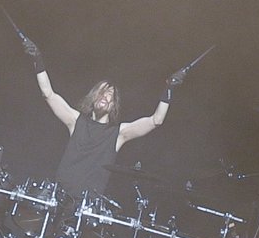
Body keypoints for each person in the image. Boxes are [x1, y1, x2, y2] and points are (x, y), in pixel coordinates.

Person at [22, 34, 186, 204]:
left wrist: (169, 89)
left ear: (114, 105)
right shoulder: (76, 121)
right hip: (58, 198)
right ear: (93, 97)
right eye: (102, 92)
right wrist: (37, 59)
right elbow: (48, 94)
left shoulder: (119, 133)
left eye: (110, 94)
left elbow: (156, 120)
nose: (105, 96)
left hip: (87, 207)